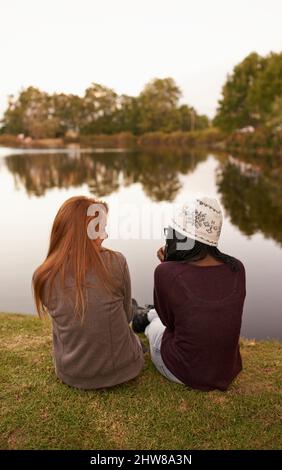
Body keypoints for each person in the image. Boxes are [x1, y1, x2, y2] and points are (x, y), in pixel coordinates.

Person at [132, 196, 246, 391]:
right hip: (227, 369)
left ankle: (144, 318)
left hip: (184, 371)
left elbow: (170, 323)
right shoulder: (237, 268)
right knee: (169, 316)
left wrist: (167, 263)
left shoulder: (166, 271)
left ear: (179, 234)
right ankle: (147, 313)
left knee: (156, 327)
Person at [32, 196, 144, 389]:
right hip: (126, 367)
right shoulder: (117, 262)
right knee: (130, 308)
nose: (106, 236)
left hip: (72, 374)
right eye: (102, 228)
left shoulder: (42, 276)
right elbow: (126, 317)